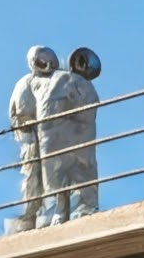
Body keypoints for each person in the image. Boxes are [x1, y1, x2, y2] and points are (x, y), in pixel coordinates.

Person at [41, 47, 102, 221]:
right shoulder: (76, 83)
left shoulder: (55, 81)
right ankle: (80, 216)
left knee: (56, 185)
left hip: (56, 141)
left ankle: (56, 218)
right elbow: (87, 113)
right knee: (81, 181)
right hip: (77, 140)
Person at [7, 46, 61, 231]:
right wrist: (31, 127)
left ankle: (52, 210)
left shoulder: (56, 82)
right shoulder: (25, 83)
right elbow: (17, 114)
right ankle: (31, 212)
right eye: (42, 62)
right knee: (32, 174)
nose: (47, 66)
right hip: (31, 138)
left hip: (51, 136)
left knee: (54, 172)